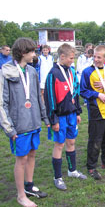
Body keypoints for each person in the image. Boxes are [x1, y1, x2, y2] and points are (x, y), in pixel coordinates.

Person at [0, 38, 50, 207]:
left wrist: (44, 118)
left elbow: (38, 98)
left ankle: (29, 187)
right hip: (19, 126)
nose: (34, 55)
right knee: (21, 160)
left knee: (32, 154)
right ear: (23, 53)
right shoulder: (6, 72)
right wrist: (9, 129)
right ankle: (21, 196)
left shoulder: (32, 71)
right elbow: (2, 103)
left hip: (34, 122)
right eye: (32, 52)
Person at [44, 43, 86, 191]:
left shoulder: (72, 72)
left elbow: (75, 92)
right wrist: (53, 119)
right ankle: (58, 177)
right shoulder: (53, 74)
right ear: (62, 57)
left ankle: (72, 170)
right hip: (60, 117)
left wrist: (78, 112)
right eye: (71, 58)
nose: (72, 61)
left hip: (72, 115)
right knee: (59, 144)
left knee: (71, 142)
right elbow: (49, 99)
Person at [80, 45, 105, 180]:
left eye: (99, 57)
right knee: (95, 140)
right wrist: (97, 94)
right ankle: (91, 167)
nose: (96, 59)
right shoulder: (87, 72)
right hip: (96, 110)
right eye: (94, 56)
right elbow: (83, 91)